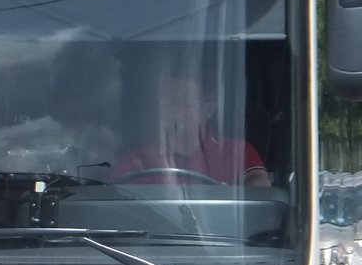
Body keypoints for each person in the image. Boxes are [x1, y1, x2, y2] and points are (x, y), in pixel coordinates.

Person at [110, 70, 270, 187]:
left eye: (183, 101)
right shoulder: (138, 159)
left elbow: (260, 185)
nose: (175, 109)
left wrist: (229, 194)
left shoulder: (235, 151)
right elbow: (116, 201)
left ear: (208, 109)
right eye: (168, 101)